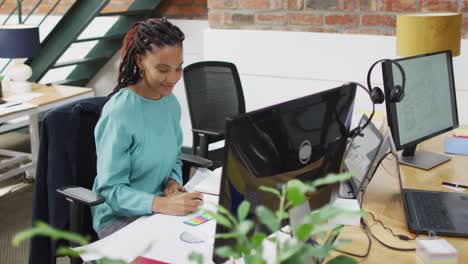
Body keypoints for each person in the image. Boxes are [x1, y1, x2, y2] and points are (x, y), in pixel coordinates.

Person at [91, 18, 203, 239]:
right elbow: (110, 191)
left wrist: (173, 182)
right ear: (140, 61)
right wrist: (161, 204)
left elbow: (174, 158)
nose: (173, 78)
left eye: (178, 68)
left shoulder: (170, 104)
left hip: (160, 207)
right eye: (163, 69)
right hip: (119, 218)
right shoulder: (121, 111)